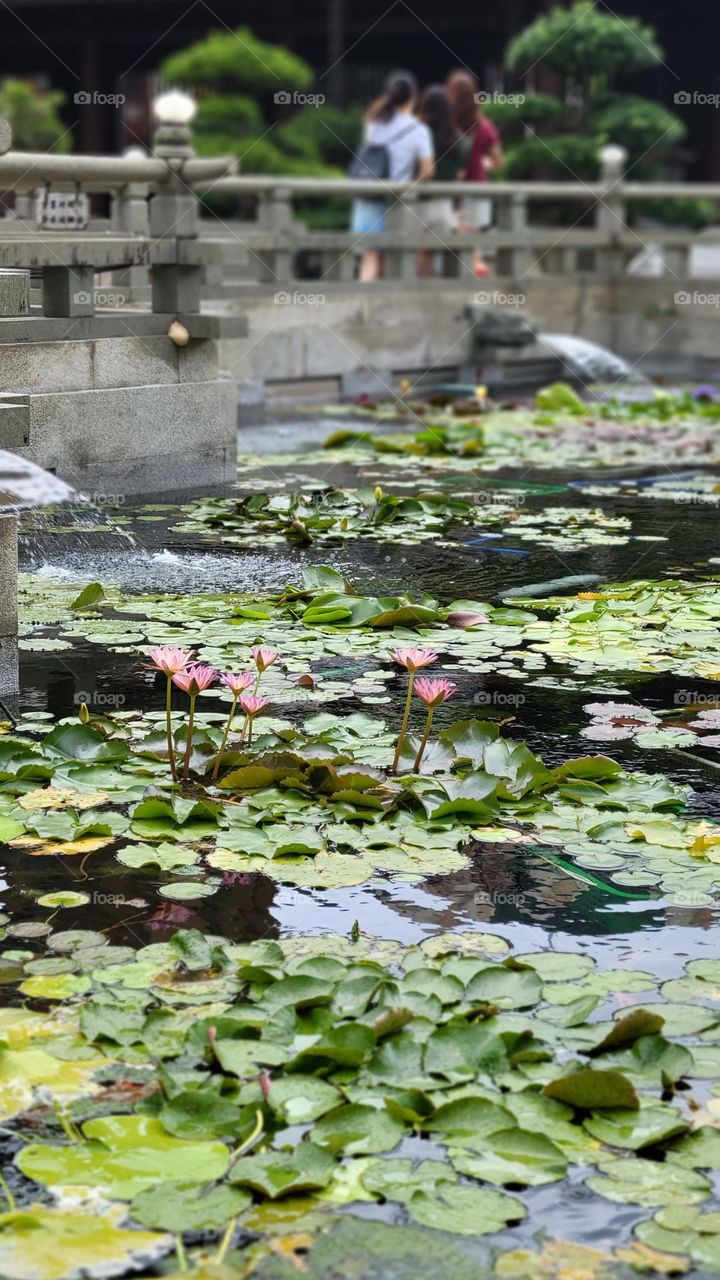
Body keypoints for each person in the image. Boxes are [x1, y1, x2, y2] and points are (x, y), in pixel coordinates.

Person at [350, 70, 434, 282]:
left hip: (369, 196)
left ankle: (363, 306)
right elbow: (427, 171)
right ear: (415, 95)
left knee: (370, 256)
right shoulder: (419, 129)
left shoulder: (373, 123)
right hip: (398, 200)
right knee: (397, 259)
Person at [446, 70, 504, 276]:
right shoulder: (485, 127)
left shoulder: (444, 126)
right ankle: (476, 266)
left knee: (456, 237)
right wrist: (483, 164)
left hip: (450, 190)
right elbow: (498, 162)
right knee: (474, 241)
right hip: (478, 188)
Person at [417, 84, 471, 277]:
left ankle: (414, 297)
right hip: (444, 207)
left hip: (417, 203)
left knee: (417, 255)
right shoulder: (461, 141)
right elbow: (460, 176)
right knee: (428, 254)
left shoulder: (420, 134)